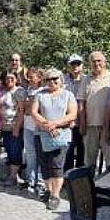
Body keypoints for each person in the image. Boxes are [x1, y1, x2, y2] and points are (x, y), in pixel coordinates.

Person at [32, 68, 77, 211]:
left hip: (61, 135)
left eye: (54, 78)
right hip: (41, 134)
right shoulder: (40, 94)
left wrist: (55, 124)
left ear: (61, 79)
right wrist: (47, 125)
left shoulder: (68, 95)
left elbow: (72, 114)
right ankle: (49, 190)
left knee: (57, 164)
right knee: (44, 164)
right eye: (48, 79)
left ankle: (55, 195)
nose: (51, 81)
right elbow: (34, 112)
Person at [77, 51, 110, 172]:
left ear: (105, 62)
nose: (96, 63)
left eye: (99, 60)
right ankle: (89, 188)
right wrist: (82, 123)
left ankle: (109, 187)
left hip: (109, 126)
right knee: (89, 160)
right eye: (93, 61)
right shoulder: (86, 80)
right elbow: (81, 102)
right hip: (90, 126)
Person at [18, 67, 45, 196]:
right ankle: (30, 180)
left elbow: (32, 109)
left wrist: (29, 106)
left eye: (32, 76)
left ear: (39, 78)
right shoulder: (27, 90)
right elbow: (26, 109)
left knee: (40, 155)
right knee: (29, 154)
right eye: (28, 76)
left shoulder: (43, 91)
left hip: (38, 127)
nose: (29, 79)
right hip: (28, 125)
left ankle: (40, 181)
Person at [0, 71, 26, 187]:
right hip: (4, 127)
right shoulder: (3, 91)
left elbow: (21, 111)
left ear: (16, 79)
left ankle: (13, 177)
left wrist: (17, 127)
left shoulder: (19, 91)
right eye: (7, 78)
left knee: (15, 151)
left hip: (15, 126)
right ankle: (11, 174)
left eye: (12, 78)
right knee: (9, 151)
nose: (9, 80)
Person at [63, 54, 85, 171]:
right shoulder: (62, 80)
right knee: (67, 153)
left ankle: (79, 181)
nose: (75, 66)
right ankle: (67, 180)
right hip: (67, 123)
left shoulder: (87, 80)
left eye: (78, 64)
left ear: (82, 65)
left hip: (83, 122)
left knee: (82, 152)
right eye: (73, 64)